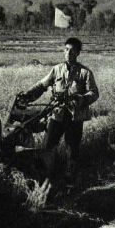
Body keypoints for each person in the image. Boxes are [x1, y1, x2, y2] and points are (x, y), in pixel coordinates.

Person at [20, 37, 99, 181]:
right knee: (47, 146)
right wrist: (27, 96)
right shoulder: (56, 69)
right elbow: (41, 86)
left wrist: (80, 99)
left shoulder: (85, 72)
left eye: (72, 50)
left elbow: (94, 93)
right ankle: (46, 177)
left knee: (72, 149)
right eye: (66, 49)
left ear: (78, 53)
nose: (68, 53)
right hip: (57, 114)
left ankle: (70, 180)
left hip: (75, 117)